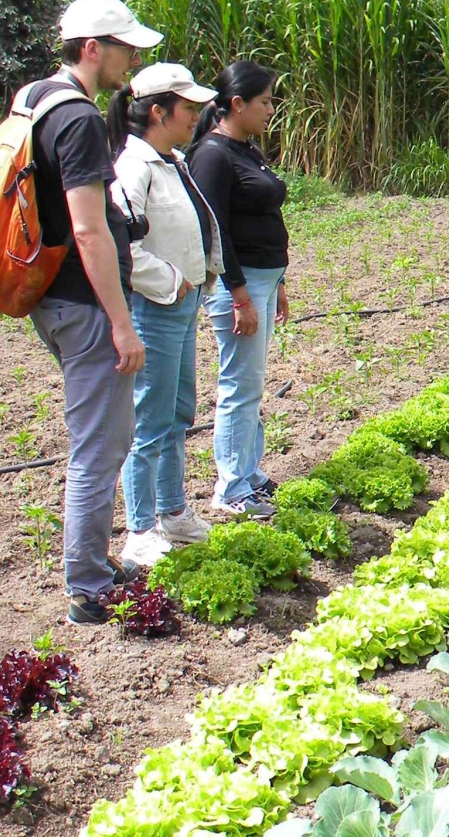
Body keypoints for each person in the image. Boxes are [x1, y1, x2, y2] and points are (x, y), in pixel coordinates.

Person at [26, 0, 162, 624]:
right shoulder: (78, 117)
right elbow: (88, 229)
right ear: (90, 46)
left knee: (102, 436)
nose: (134, 58)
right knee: (99, 445)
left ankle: (96, 565)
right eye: (125, 46)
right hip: (85, 302)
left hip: (52, 296)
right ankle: (86, 585)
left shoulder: (35, 98)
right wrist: (121, 322)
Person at [107, 63, 223, 567]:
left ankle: (173, 511)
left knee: (177, 411)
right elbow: (119, 246)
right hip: (156, 308)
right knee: (150, 419)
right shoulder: (132, 168)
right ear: (158, 111)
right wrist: (172, 283)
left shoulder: (170, 160)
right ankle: (139, 528)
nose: (196, 117)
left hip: (181, 305)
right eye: (189, 109)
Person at [187, 61, 289, 519]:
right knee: (238, 385)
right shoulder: (212, 155)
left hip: (263, 281)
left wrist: (278, 282)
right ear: (237, 104)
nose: (271, 109)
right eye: (265, 101)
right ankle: (230, 487)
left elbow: (265, 219)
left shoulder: (246, 150)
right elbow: (217, 231)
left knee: (252, 382)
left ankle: (249, 472)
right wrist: (242, 296)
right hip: (238, 286)